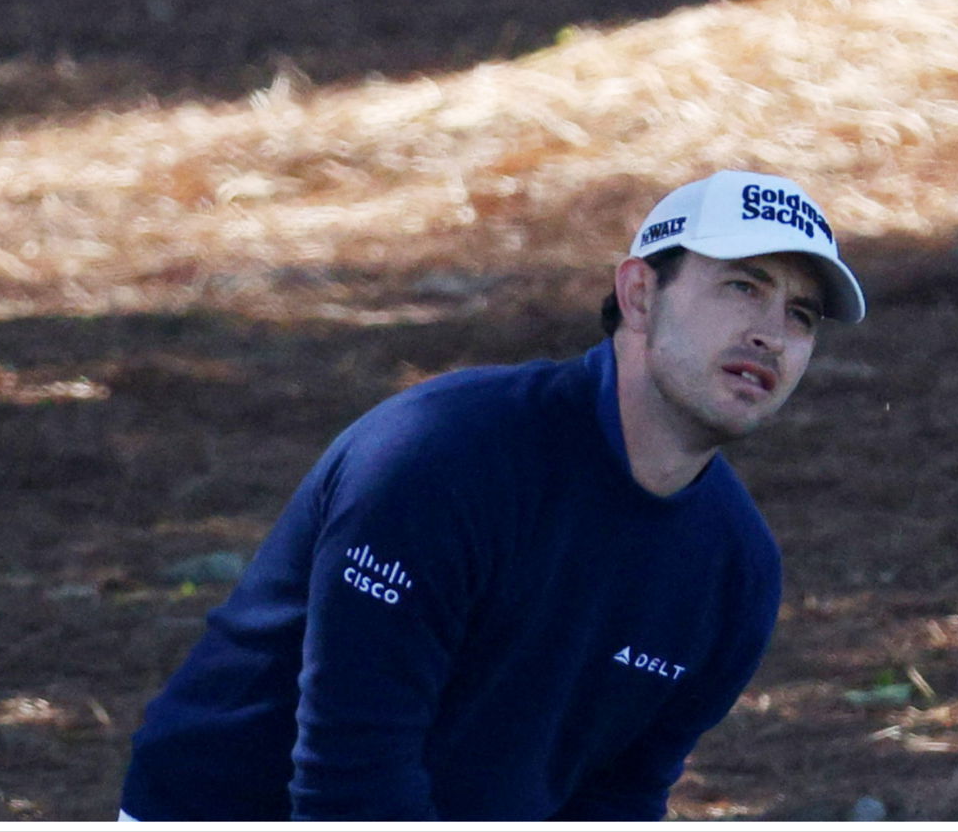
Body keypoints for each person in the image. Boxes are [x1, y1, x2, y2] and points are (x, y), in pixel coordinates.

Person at [118, 169, 867, 821]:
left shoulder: (736, 571)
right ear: (639, 294)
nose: (771, 334)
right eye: (742, 287)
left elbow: (619, 800)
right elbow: (349, 778)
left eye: (800, 315)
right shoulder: (441, 456)